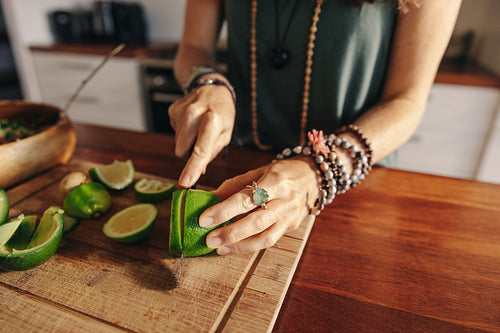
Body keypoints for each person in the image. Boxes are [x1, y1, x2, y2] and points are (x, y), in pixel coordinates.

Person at [168, 0, 462, 255]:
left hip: (351, 188)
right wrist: (207, 82)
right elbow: (194, 47)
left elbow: (406, 100)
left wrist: (319, 170)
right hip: (238, 170)